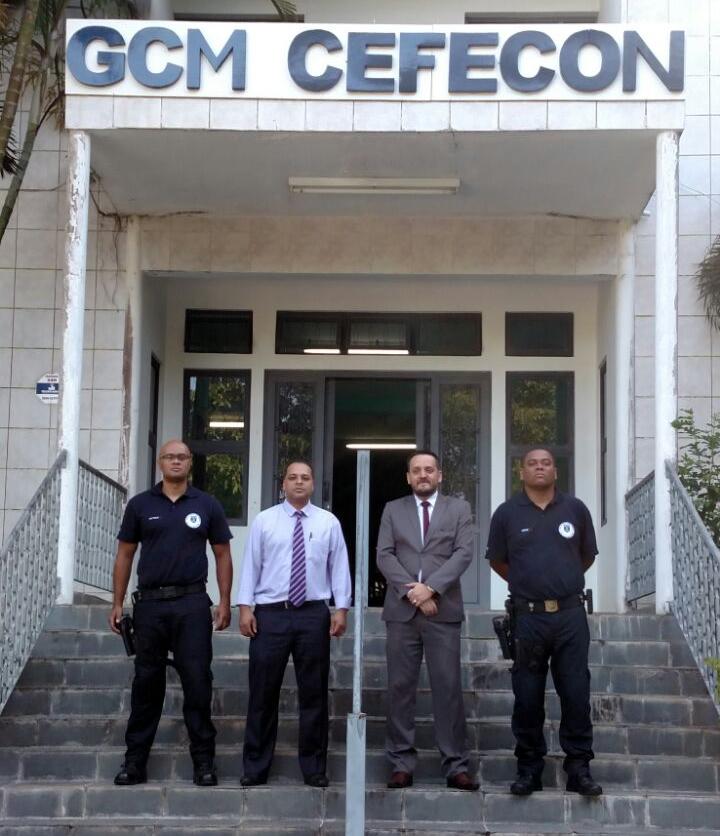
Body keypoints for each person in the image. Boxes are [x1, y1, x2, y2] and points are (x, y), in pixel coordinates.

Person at [109, 439, 233, 787]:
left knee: (197, 683)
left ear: (190, 462)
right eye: (170, 457)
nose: (176, 462)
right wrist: (118, 602)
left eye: (182, 457)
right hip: (150, 606)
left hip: (192, 606)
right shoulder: (140, 505)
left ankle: (204, 762)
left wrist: (224, 602)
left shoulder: (207, 504)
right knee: (146, 685)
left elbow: (223, 555)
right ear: (160, 463)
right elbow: (125, 555)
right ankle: (134, 762)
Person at [485, 447, 602, 797]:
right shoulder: (506, 513)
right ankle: (529, 769)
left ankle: (579, 768)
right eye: (532, 464)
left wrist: (561, 582)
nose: (539, 468)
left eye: (546, 463)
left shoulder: (575, 509)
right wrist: (529, 585)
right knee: (527, 696)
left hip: (569, 616)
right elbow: (499, 561)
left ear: (555, 471)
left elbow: (586, 555)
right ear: (522, 472)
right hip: (528, 619)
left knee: (576, 693)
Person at [237, 460, 351, 787]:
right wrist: (246, 608)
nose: (299, 483)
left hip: (313, 614)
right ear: (283, 484)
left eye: (305, 478)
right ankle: (255, 767)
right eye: (292, 477)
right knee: (262, 692)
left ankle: (314, 768)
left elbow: (339, 566)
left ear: (313, 484)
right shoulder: (265, 521)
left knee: (313, 694)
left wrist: (341, 608)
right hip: (270, 613)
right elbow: (251, 566)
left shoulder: (327, 522)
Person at [376, 450, 478, 791]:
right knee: (400, 688)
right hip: (402, 613)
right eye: (417, 470)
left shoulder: (459, 509)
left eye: (429, 470)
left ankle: (455, 765)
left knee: (448, 688)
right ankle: (401, 763)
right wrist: (413, 593)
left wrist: (431, 589)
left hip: (443, 610)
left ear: (440, 475)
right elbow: (384, 554)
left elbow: (464, 553)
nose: (423, 475)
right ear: (408, 477)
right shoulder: (393, 509)